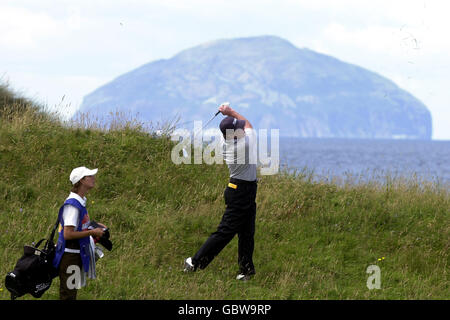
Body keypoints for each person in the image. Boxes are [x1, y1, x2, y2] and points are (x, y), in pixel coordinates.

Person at [184, 103, 258, 281]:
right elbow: (249, 125)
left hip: (242, 190)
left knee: (247, 232)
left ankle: (245, 271)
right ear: (233, 134)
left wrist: (229, 115)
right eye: (237, 129)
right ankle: (194, 262)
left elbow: (243, 126)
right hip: (240, 191)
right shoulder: (244, 144)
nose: (241, 129)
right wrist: (230, 111)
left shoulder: (226, 143)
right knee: (226, 232)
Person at [52, 166, 106, 300]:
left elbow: (79, 226)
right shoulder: (73, 205)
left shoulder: (80, 201)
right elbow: (68, 234)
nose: (94, 179)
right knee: (68, 295)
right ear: (81, 181)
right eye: (90, 176)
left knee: (71, 293)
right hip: (70, 256)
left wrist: (95, 225)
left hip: (75, 255)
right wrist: (92, 232)